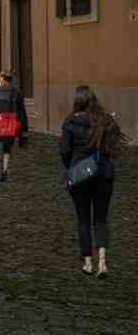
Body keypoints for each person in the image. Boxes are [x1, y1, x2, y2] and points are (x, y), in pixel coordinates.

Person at [59, 86, 127, 279]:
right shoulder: (106, 120)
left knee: (83, 220)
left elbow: (64, 151)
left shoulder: (70, 122)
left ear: (77, 101)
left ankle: (88, 263)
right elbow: (115, 148)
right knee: (101, 219)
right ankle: (102, 262)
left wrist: (72, 166)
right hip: (103, 174)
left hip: (79, 175)